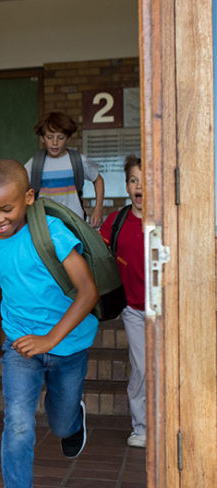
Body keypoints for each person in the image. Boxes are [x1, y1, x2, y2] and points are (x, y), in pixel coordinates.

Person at [0, 159, 99, 488]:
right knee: (17, 424)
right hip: (21, 347)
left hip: (69, 345)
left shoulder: (51, 233)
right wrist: (9, 327)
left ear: (28, 197)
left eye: (6, 209)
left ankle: (73, 422)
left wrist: (49, 339)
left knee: (60, 423)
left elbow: (88, 292)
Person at [99, 154, 146, 448]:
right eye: (133, 180)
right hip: (134, 309)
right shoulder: (117, 221)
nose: (140, 187)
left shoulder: (171, 219)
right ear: (127, 186)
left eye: (147, 180)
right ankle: (141, 427)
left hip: (169, 308)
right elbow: (97, 252)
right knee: (141, 367)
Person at [25, 111, 105, 227]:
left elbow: (98, 180)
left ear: (68, 138)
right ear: (42, 138)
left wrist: (98, 210)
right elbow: (19, 184)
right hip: (45, 223)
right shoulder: (35, 163)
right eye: (49, 137)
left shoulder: (78, 160)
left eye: (60, 137)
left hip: (74, 222)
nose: (55, 142)